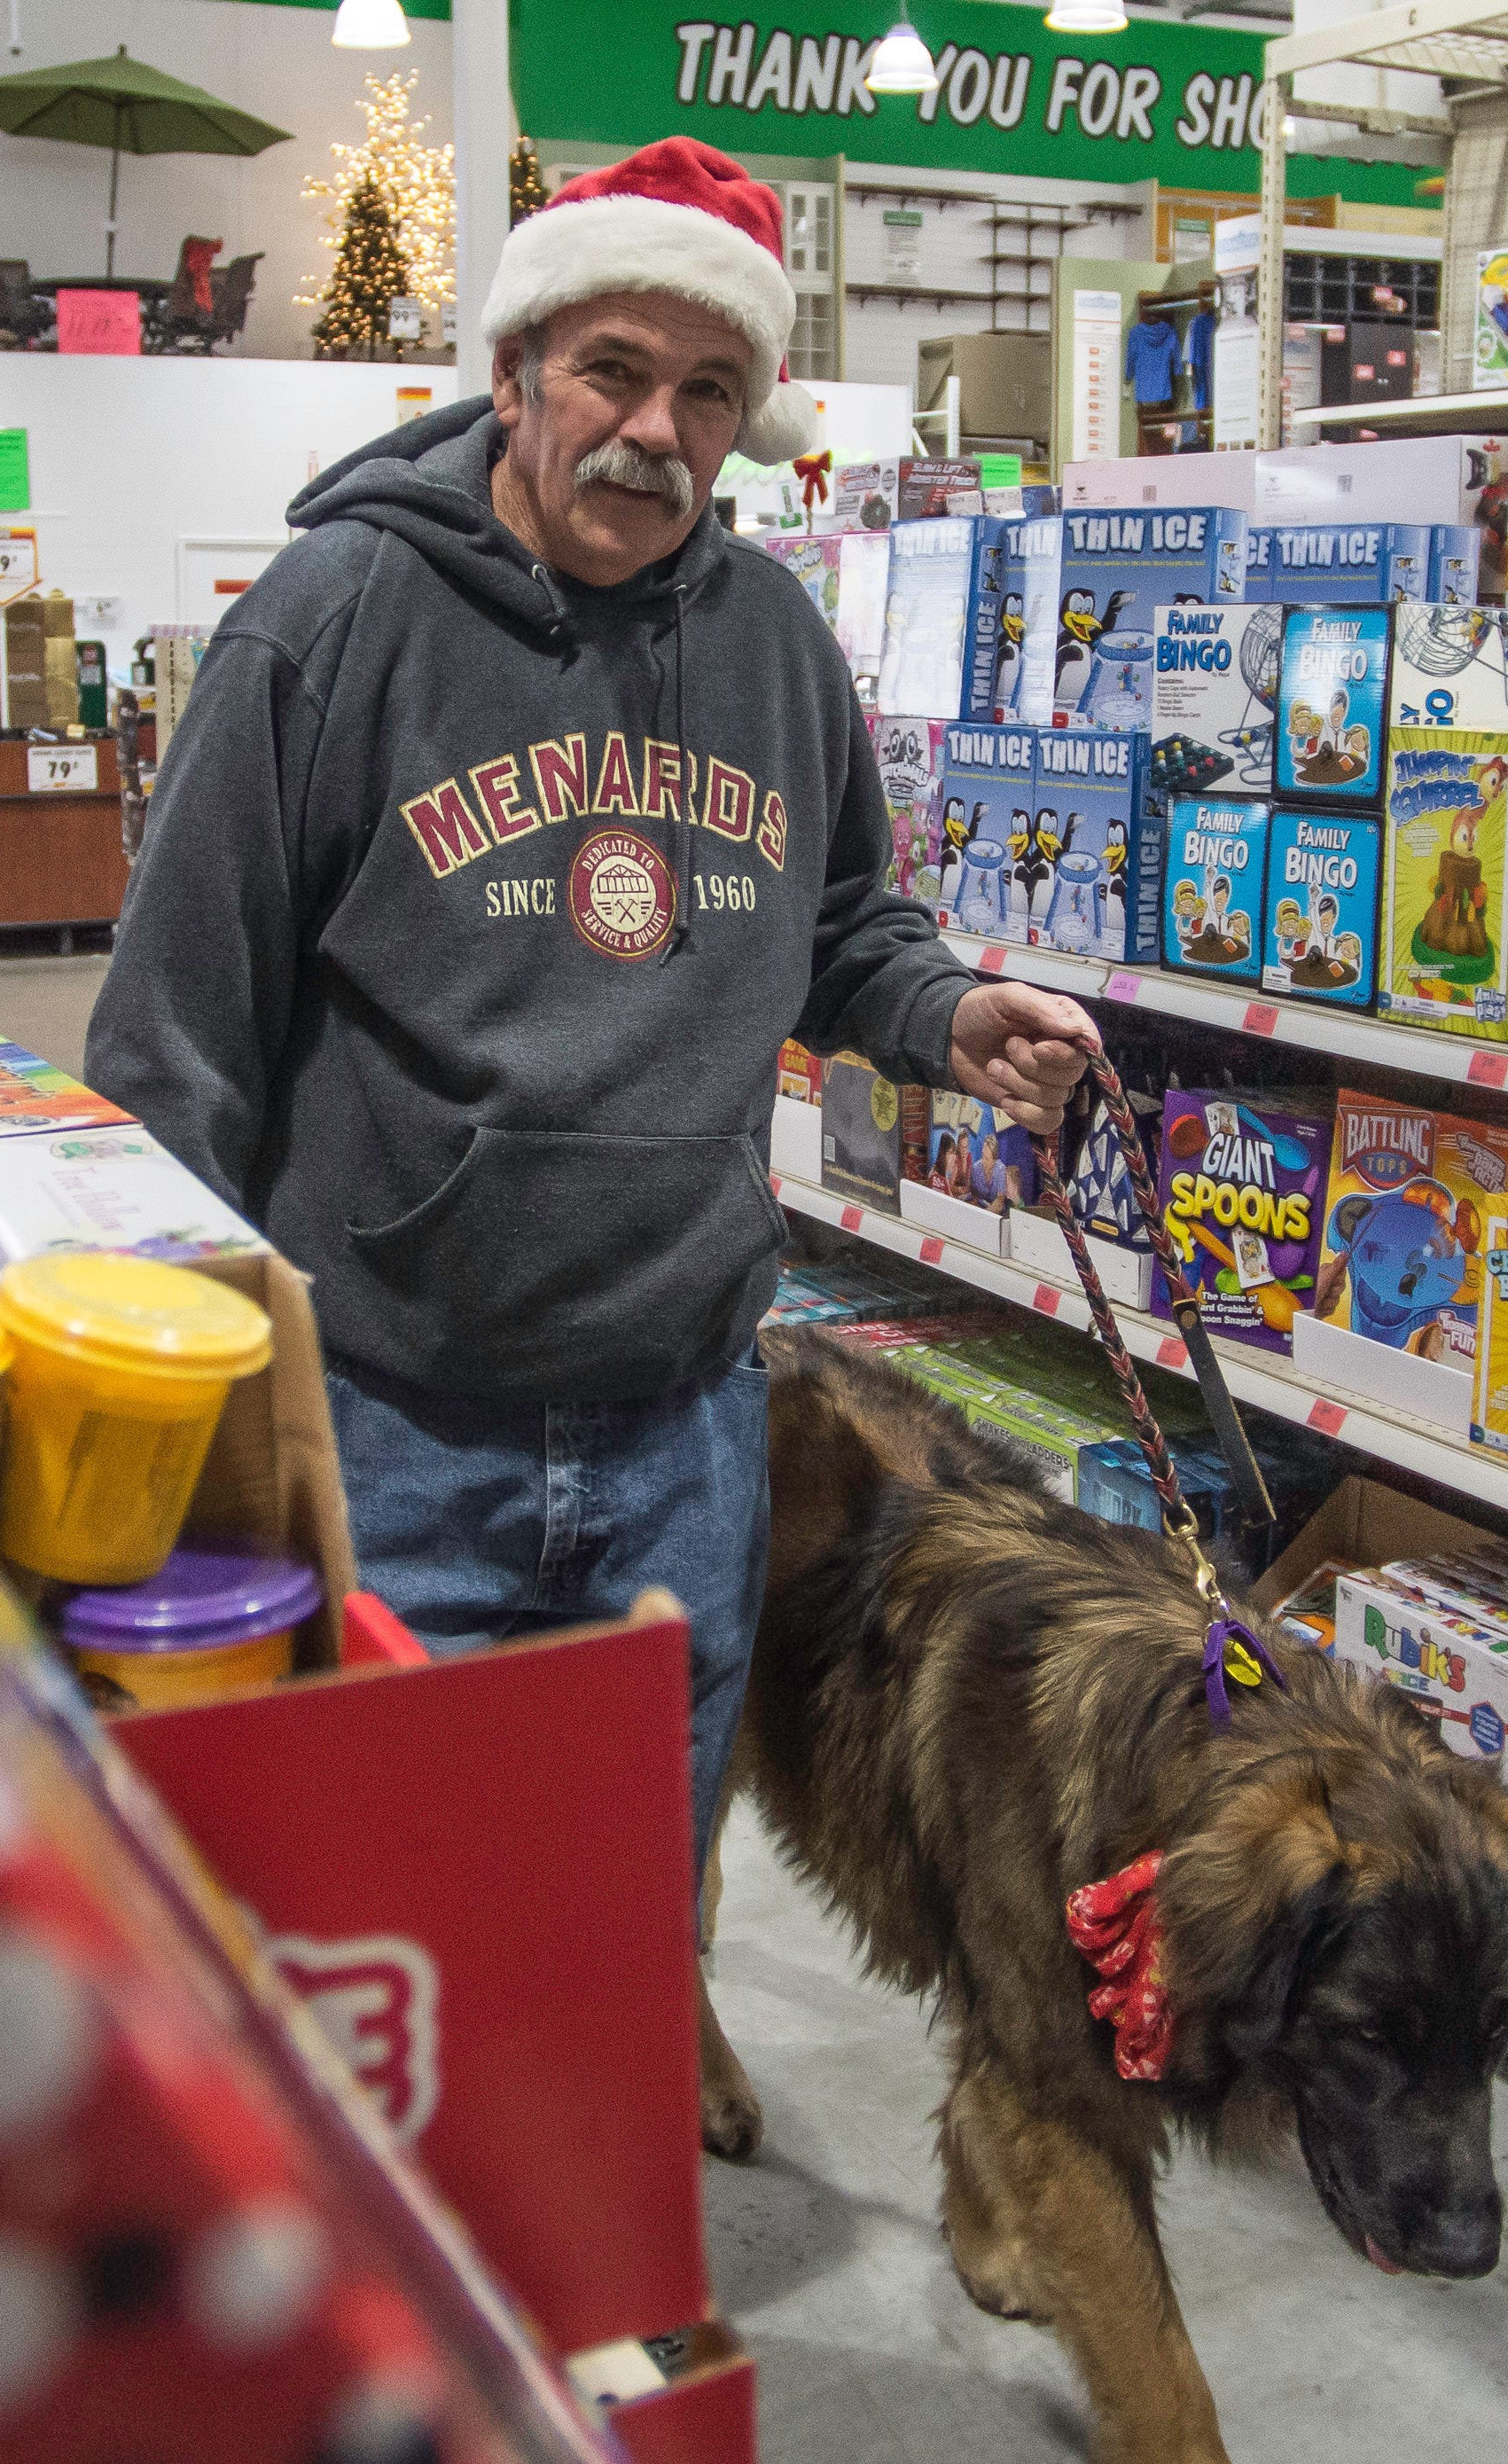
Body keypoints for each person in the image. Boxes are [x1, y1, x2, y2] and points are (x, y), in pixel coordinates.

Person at [87, 138, 1098, 1883]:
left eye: (707, 391)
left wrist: (942, 1013)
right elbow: (175, 1033)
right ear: (512, 372)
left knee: (615, 1923)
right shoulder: (330, 620)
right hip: (393, 1417)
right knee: (392, 1916)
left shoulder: (774, 643)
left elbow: (842, 919)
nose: (653, 429)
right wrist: (192, 1416)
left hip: (685, 1426)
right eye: (612, 372)